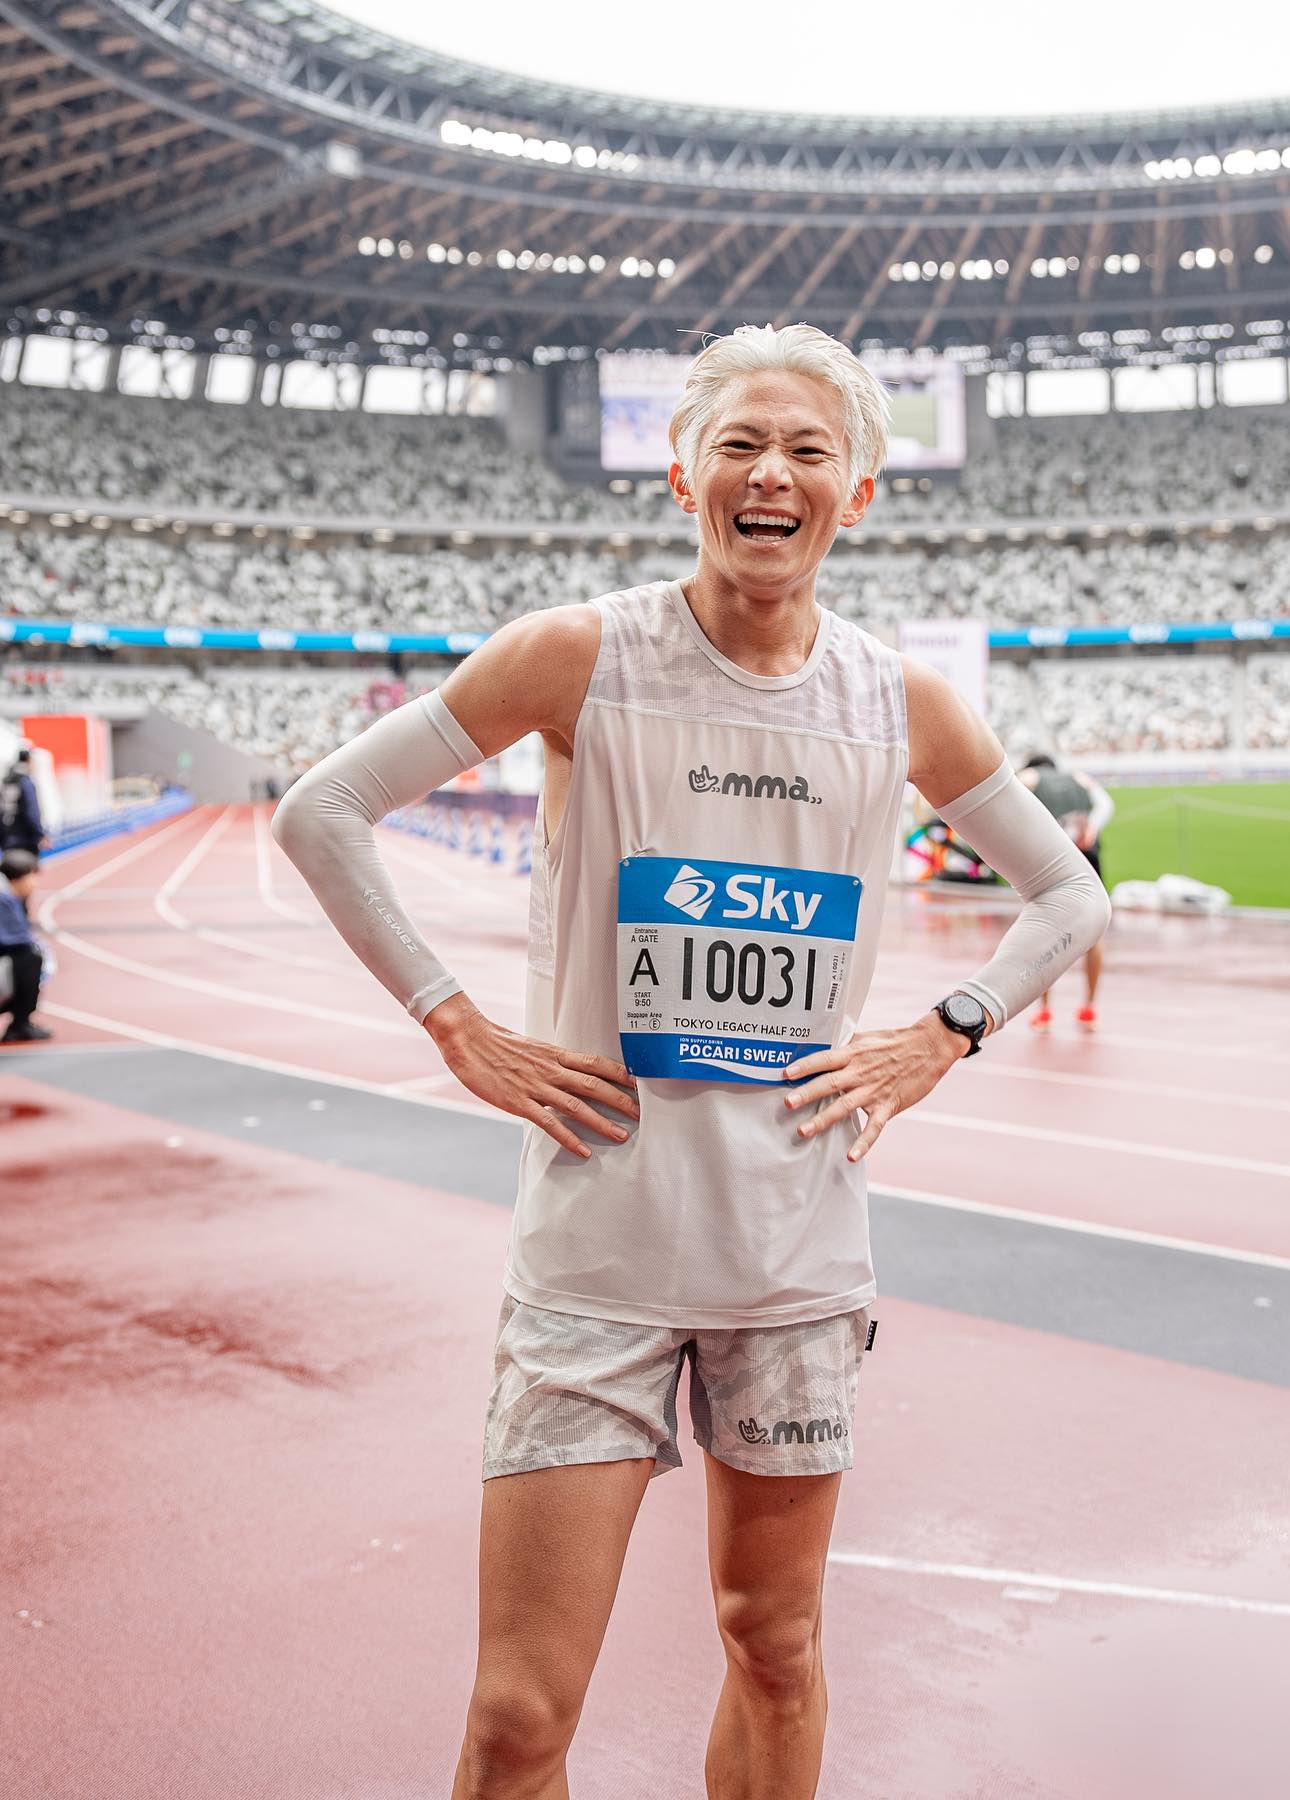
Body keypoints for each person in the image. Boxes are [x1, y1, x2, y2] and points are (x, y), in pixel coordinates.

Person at [273, 322, 1110, 1800]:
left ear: (857, 494)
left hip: (793, 1261)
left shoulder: (900, 702)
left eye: (807, 451)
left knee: (773, 1645)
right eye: (740, 444)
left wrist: (945, 1033)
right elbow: (323, 811)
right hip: (594, 1257)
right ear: (683, 478)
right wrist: (454, 1022)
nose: (771, 473)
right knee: (519, 1717)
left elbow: (1069, 894)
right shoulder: (576, 656)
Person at [1018, 752, 1113, 1030]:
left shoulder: (1030, 777)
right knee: (1095, 933)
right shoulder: (1077, 778)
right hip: (1087, 858)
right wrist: (1091, 828)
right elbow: (1106, 803)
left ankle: (1045, 1011)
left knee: (1046, 933)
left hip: (1052, 859)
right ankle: (1089, 1008)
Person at [0, 848, 51, 1044]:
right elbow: (14, 940)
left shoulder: (11, 896)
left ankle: (21, 1023)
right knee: (31, 959)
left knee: (31, 955)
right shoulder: (4, 898)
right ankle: (20, 1025)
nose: (35, 884)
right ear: (16, 879)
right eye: (32, 878)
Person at [1, 746, 46, 858]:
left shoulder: (6, 781)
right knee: (26, 868)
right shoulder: (25, 782)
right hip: (25, 841)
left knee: (11, 867)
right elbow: (32, 811)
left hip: (7, 840)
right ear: (29, 761)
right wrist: (40, 834)